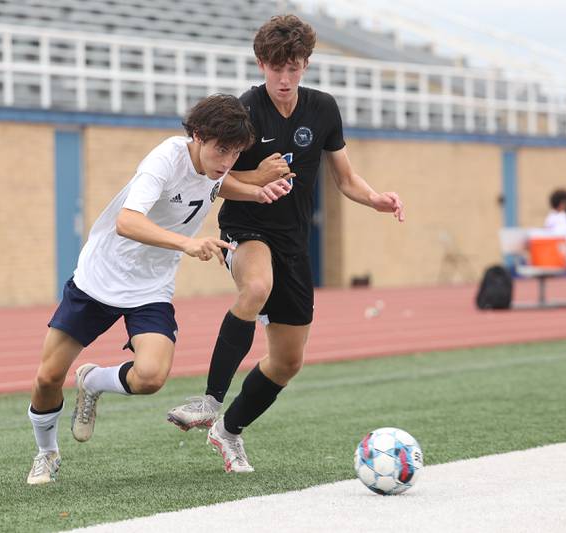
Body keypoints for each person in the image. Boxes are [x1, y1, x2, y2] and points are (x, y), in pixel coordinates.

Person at [166, 15, 405, 473]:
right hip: (246, 229)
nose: (285, 78)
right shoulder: (243, 111)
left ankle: (228, 430)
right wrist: (257, 180)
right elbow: (216, 178)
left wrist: (375, 199)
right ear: (262, 64)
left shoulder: (324, 109)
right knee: (255, 287)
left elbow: (346, 178)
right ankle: (210, 400)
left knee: (287, 362)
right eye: (277, 68)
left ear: (306, 65)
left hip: (294, 240)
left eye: (293, 68)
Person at [25, 94, 292, 485]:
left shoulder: (217, 166)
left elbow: (218, 185)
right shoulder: (164, 160)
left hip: (150, 288)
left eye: (235, 154)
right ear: (197, 136)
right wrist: (188, 243)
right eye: (221, 151)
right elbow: (127, 221)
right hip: (100, 276)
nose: (227, 162)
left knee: (150, 377)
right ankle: (46, 453)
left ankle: (93, 380)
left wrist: (254, 191)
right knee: (48, 377)